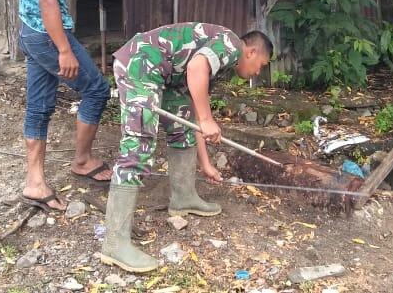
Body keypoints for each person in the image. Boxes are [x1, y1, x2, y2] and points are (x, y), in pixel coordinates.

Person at [100, 23, 273, 273]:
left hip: (165, 76)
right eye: (262, 65)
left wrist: (205, 163)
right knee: (138, 146)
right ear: (252, 52)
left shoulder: (222, 61)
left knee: (182, 125)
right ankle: (115, 243)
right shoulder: (232, 45)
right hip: (141, 65)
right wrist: (206, 119)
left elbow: (194, 109)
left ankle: (183, 198)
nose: (257, 72)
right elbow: (196, 67)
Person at [17, 0, 113, 211]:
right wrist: (64, 49)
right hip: (46, 36)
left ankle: (35, 181)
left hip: (31, 32)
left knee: (40, 105)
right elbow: (47, 1)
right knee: (97, 89)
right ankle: (82, 161)